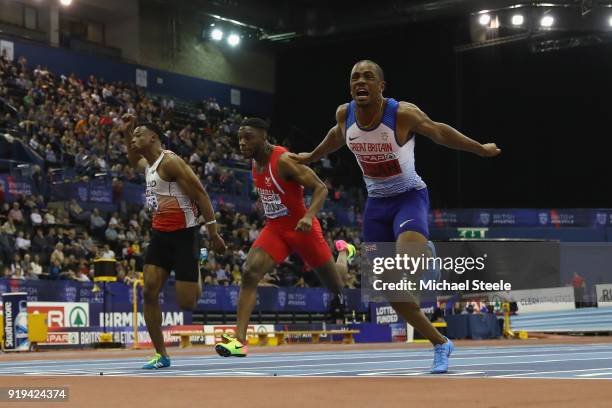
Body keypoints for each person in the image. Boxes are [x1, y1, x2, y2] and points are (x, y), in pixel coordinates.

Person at [290, 60, 501, 374]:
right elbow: (336, 137)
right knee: (392, 292)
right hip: (376, 206)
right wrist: (311, 155)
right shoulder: (344, 114)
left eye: (368, 77)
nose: (360, 82)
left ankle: (425, 255)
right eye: (355, 78)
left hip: (409, 198)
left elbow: (439, 133)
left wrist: (479, 149)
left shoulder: (401, 113)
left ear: (381, 86)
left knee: (405, 268)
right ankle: (441, 343)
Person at [215, 118, 355, 358]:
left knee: (336, 285)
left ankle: (345, 252)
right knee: (249, 272)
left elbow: (321, 188)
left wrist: (310, 216)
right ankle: (239, 341)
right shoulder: (254, 164)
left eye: (248, 137)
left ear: (263, 137)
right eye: (240, 138)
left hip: (303, 229)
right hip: (276, 229)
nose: (242, 143)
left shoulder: (284, 160)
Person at [120, 114, 226, 369]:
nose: (134, 139)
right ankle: (161, 355)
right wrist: (126, 132)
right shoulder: (149, 163)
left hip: (185, 235)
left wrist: (213, 233)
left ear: (153, 137)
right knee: (148, 291)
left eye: (138, 135)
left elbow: (200, 194)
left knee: (186, 303)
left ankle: (196, 267)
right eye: (133, 137)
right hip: (160, 235)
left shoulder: (171, 163)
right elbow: (132, 159)